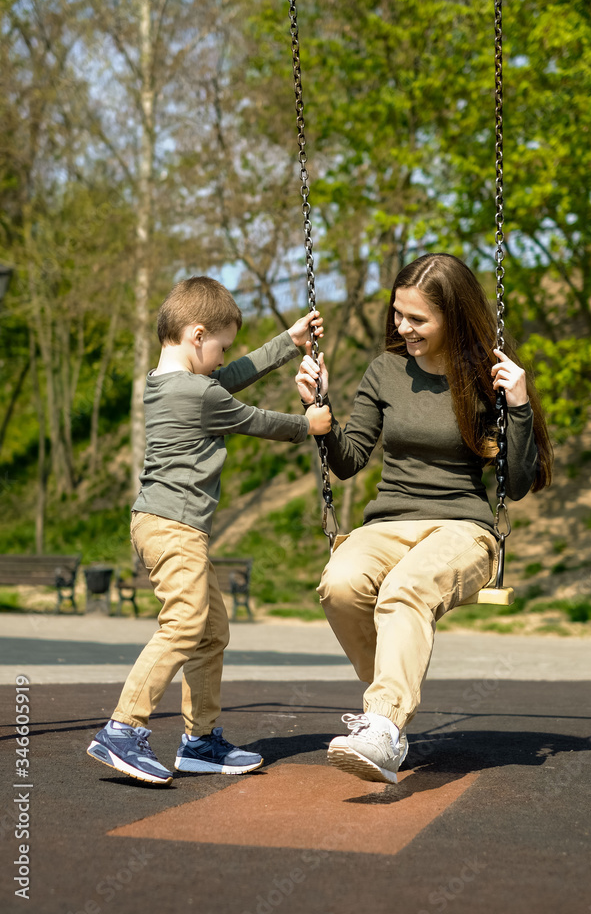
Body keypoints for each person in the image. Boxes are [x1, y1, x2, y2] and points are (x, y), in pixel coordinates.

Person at [296, 253, 553, 785]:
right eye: (398, 314)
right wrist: (322, 416)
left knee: (405, 588)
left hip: (462, 527)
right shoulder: (385, 371)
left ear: (451, 318)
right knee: (339, 584)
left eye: (417, 319)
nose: (403, 327)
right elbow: (348, 461)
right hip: (387, 522)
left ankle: (384, 725)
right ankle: (385, 711)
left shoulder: (486, 377)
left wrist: (519, 406)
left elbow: (517, 483)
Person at [87, 276, 331, 786]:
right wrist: (308, 426)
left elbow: (229, 378)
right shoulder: (197, 393)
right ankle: (122, 728)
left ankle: (199, 742)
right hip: (172, 527)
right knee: (183, 624)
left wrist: (289, 343)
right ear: (197, 335)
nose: (223, 358)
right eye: (220, 347)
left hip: (168, 525)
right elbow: (252, 419)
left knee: (211, 632)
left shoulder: (168, 382)